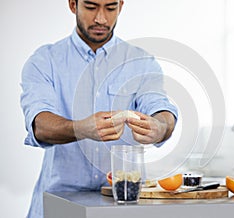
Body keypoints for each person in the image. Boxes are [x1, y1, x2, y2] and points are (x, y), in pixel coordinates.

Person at [20, 0, 177, 217]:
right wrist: (81, 129)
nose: (101, 19)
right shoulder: (44, 61)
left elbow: (161, 109)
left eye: (110, 8)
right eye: (91, 7)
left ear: (121, 6)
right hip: (58, 205)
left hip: (122, 206)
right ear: (73, 5)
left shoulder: (141, 62)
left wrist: (160, 127)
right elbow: (39, 125)